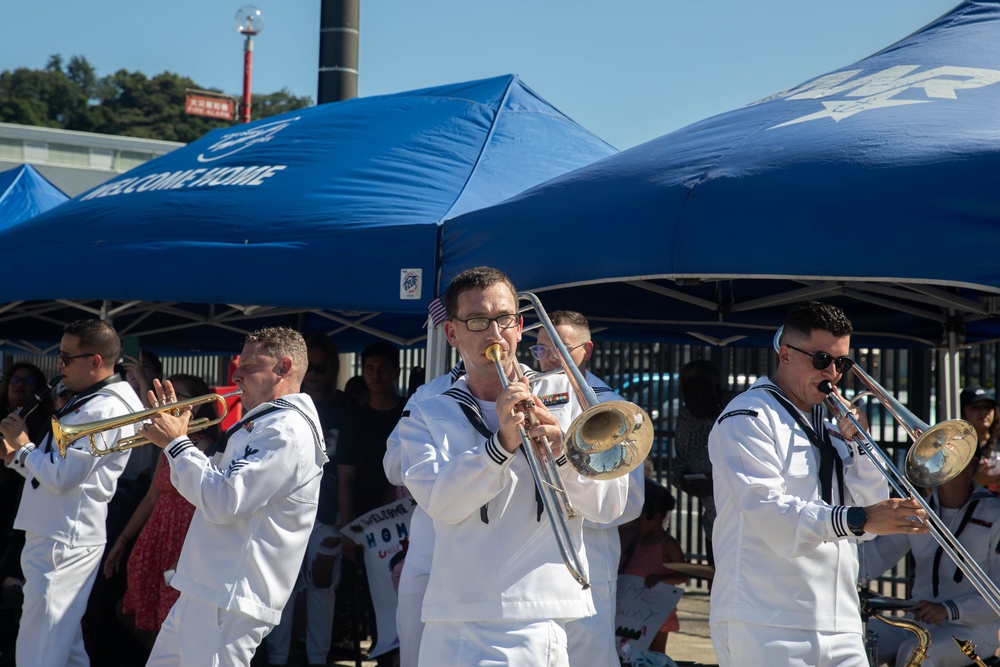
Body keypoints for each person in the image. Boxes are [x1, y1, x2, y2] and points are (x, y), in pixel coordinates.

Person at [396, 266, 629, 666]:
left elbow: (609, 506)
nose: (494, 333)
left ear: (520, 326)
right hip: (454, 611)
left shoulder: (567, 395)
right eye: (477, 321)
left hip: (537, 610)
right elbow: (441, 502)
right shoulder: (426, 408)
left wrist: (561, 453)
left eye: (504, 319)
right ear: (452, 334)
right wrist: (500, 445)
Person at [707, 301, 930, 667]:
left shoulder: (828, 427)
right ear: (785, 354)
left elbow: (866, 526)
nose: (833, 373)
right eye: (821, 359)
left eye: (841, 363)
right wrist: (858, 517)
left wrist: (861, 448)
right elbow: (769, 511)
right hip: (767, 621)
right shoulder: (748, 418)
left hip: (839, 621)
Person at [136, 326, 326, 667]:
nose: (236, 374)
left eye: (249, 366)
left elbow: (225, 502)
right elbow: (204, 491)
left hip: (229, 594)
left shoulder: (284, 431)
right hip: (209, 587)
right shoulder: (265, 424)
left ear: (283, 368)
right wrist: (174, 443)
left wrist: (177, 444)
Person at [0, 319, 144, 667]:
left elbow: (64, 477)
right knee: (63, 644)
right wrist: (16, 458)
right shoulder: (91, 400)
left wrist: (23, 448)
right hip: (57, 531)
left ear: (95, 361)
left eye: (66, 357)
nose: (59, 366)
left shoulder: (105, 407)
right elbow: (54, 472)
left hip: (63, 536)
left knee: (41, 642)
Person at [532, 310, 645, 667]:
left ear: (587, 350)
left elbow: (631, 505)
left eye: (560, 350)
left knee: (588, 655)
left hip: (589, 555)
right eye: (540, 350)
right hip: (533, 557)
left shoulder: (611, 406)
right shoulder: (526, 395)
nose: (548, 359)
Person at [101, 374, 219, 657]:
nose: (167, 399)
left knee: (172, 616)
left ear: (197, 405)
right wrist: (123, 539)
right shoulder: (167, 445)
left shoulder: (203, 446)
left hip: (184, 538)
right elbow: (152, 495)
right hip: (158, 533)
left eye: (175, 393)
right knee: (140, 610)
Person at [267, 333, 359, 667]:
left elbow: (350, 474)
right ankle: (277, 658)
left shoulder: (347, 409)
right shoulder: (283, 406)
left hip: (329, 514)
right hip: (286, 517)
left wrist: (346, 526)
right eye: (311, 369)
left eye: (322, 368)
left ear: (334, 369)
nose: (315, 376)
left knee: (322, 586)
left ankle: (317, 659)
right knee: (283, 589)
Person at [864, 452, 1000, 667]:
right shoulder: (918, 513)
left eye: (953, 455)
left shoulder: (995, 515)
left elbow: (998, 596)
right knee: (856, 639)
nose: (942, 463)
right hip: (917, 623)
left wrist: (947, 609)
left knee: (915, 652)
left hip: (974, 630)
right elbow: (872, 560)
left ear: (972, 463)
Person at [383, 361, 465, 667]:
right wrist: (426, 443)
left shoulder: (519, 387)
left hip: (478, 544)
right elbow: (391, 468)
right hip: (427, 541)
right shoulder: (428, 393)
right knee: (414, 649)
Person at [338, 340, 405, 663]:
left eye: (383, 369)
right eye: (370, 369)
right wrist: (347, 530)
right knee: (376, 602)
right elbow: (345, 479)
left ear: (396, 372)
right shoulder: (354, 422)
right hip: (366, 526)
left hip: (407, 523)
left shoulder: (410, 414)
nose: (376, 376)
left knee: (407, 598)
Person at [619, 479, 689, 654]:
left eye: (641, 518)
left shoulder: (668, 545)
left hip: (657, 609)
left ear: (656, 517)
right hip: (634, 609)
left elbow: (684, 575)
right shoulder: (638, 539)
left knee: (656, 656)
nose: (637, 522)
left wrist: (660, 579)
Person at [669, 359, 725, 567]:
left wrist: (717, 483)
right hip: (712, 524)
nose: (693, 401)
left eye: (700, 393)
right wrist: (684, 480)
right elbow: (679, 462)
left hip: (744, 528)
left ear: (716, 389)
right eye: (688, 395)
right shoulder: (687, 416)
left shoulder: (735, 410)